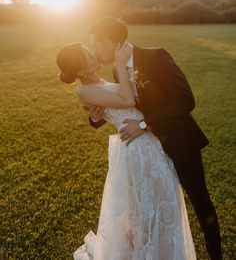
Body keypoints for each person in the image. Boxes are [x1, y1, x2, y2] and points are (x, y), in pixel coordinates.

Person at [84, 17, 223, 260]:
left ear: (113, 42)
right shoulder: (117, 70)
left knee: (201, 204)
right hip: (146, 155)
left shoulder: (156, 57)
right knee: (148, 210)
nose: (95, 51)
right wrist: (97, 116)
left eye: (97, 45)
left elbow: (185, 101)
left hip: (180, 143)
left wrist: (144, 124)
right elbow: (127, 106)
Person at [56, 41, 196, 259]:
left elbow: (131, 98)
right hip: (135, 149)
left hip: (149, 144)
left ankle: (161, 251)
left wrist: (98, 115)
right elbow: (127, 99)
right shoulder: (83, 91)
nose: (94, 53)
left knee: (160, 201)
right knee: (141, 207)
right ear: (81, 69)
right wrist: (120, 63)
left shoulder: (100, 81)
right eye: (88, 55)